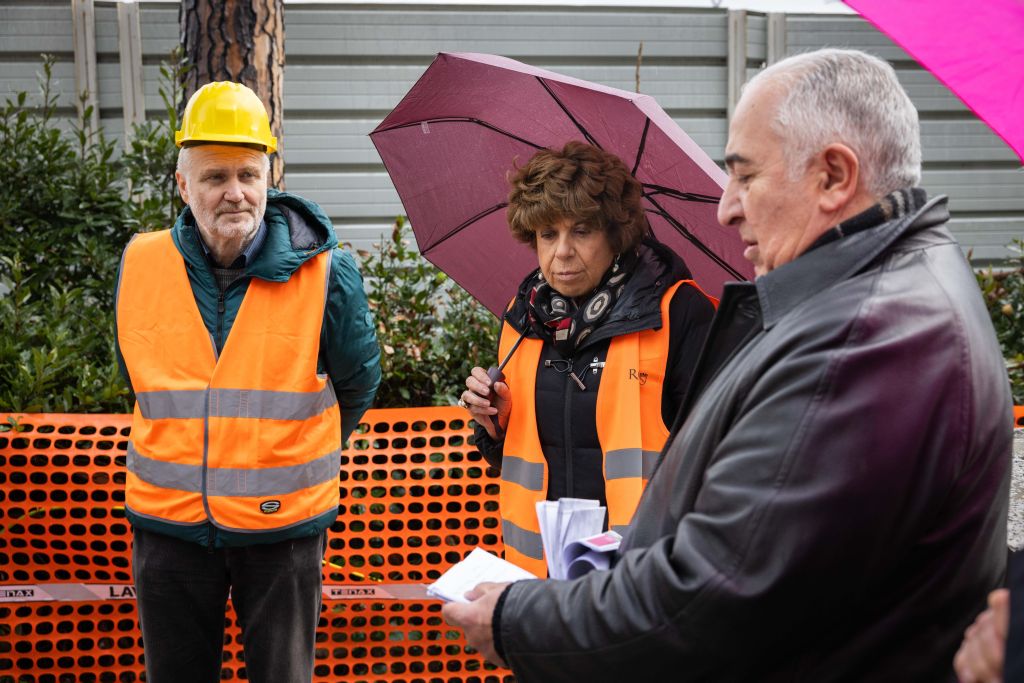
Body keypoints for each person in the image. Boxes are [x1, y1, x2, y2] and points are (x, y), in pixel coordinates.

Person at [444, 48, 1013, 681]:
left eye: (745, 176)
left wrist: (517, 621)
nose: (726, 208)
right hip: (584, 594)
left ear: (833, 176)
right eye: (546, 235)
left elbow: (714, 591)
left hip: (620, 611)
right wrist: (493, 431)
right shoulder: (889, 298)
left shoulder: (859, 341)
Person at [114, 81, 381, 682]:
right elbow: (134, 375)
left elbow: (359, 384)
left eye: (247, 174)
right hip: (168, 528)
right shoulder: (140, 263)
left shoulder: (326, 273)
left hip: (282, 531)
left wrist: (288, 454)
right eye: (214, 177)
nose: (234, 193)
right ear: (183, 185)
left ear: (270, 177)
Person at [458, 140, 716, 575]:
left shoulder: (680, 314)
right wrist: (495, 424)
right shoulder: (522, 317)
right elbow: (521, 458)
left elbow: (719, 458)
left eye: (581, 231)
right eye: (547, 234)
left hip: (639, 581)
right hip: (537, 579)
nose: (561, 252)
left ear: (615, 234)